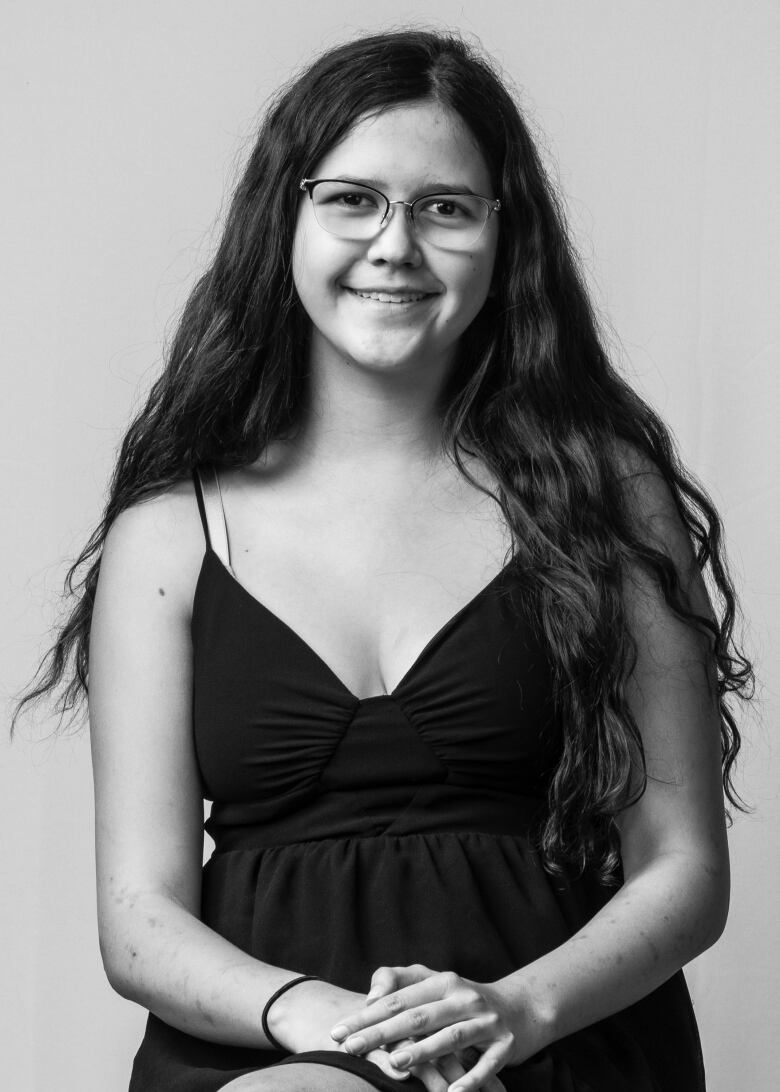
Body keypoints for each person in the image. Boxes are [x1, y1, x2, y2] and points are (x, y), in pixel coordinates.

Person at [14, 28, 755, 1092]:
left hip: (538, 1042)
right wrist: (322, 1022)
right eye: (352, 198)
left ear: (506, 239)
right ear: (288, 220)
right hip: (269, 1047)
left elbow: (684, 870)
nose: (395, 244)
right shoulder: (170, 538)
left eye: (443, 207)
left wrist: (515, 1009)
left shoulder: (606, 498)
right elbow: (139, 922)